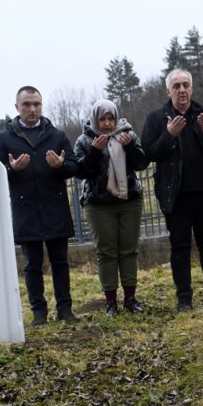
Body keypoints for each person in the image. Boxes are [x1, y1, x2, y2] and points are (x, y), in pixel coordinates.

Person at [0, 85, 78, 326]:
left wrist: (60, 165)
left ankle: (65, 309)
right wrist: (11, 169)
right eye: (27, 104)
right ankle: (39, 313)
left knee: (60, 263)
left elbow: (74, 166)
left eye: (36, 104)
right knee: (32, 266)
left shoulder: (56, 135)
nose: (32, 109)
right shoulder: (4, 138)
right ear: (17, 107)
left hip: (55, 209)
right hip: (25, 211)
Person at [141, 69, 203, 311]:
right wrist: (169, 135)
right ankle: (184, 298)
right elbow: (147, 154)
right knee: (180, 247)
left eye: (186, 85)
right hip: (174, 195)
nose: (182, 90)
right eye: (176, 86)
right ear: (168, 91)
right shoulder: (157, 118)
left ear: (192, 88)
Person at [74, 100, 149, 316]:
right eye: (102, 119)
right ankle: (110, 302)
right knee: (106, 252)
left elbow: (142, 164)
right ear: (94, 120)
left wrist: (130, 147)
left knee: (129, 250)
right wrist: (95, 152)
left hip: (129, 200)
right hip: (98, 205)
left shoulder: (128, 134)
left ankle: (130, 299)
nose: (107, 124)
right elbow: (79, 171)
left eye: (111, 119)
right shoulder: (85, 140)